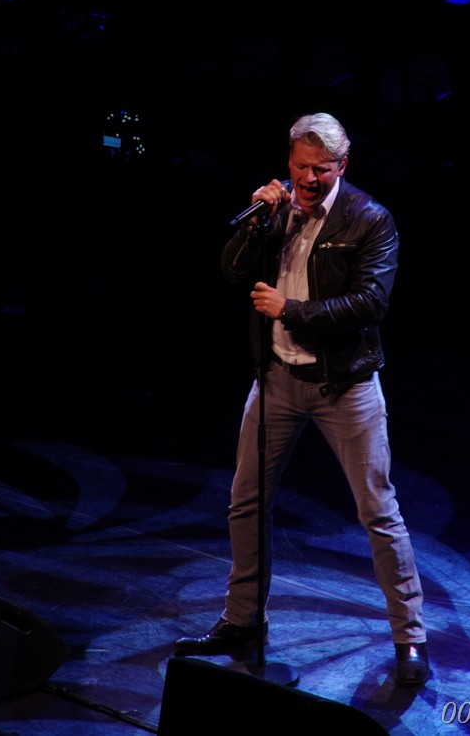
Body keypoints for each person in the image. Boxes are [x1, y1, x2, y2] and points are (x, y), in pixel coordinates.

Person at [173, 112, 429, 685]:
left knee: (377, 511)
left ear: (343, 165)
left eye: (322, 169)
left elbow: (370, 303)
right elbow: (231, 270)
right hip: (277, 381)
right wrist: (255, 223)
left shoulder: (370, 219)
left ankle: (410, 637)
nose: (309, 179)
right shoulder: (278, 210)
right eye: (301, 167)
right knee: (245, 502)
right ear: (288, 162)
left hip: (345, 385)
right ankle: (242, 622)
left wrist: (291, 311)